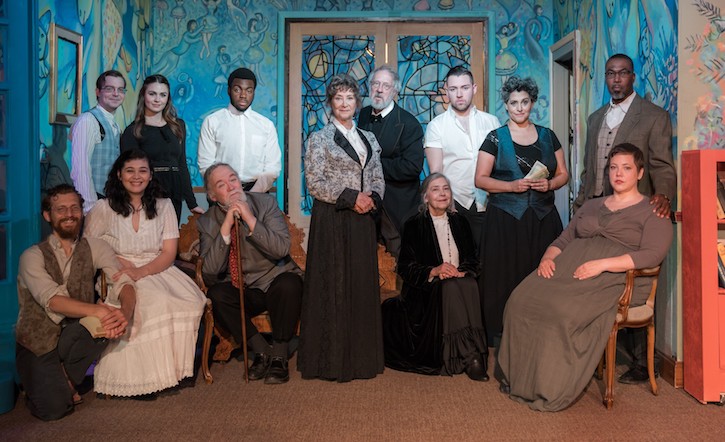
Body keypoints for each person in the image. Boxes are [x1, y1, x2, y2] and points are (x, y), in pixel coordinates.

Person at [497, 144, 673, 412]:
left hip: (617, 278)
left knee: (562, 312)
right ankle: (519, 378)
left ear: (639, 173)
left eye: (626, 168)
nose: (618, 173)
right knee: (520, 300)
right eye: (613, 167)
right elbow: (565, 238)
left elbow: (652, 254)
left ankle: (548, 385)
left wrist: (602, 265)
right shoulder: (592, 205)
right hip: (569, 269)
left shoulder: (652, 210)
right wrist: (548, 258)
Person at [574, 54, 676, 384]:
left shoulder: (653, 116)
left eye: (623, 74)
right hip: (596, 210)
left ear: (633, 77)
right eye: (610, 74)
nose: (616, 80)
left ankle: (639, 363)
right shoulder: (595, 118)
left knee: (632, 278)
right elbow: (591, 169)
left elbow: (662, 164)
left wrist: (664, 195)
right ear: (605, 78)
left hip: (632, 213)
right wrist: (579, 205)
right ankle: (589, 354)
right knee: (590, 280)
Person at [84, 149, 206, 399]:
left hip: (157, 268)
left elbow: (169, 252)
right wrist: (119, 262)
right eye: (130, 170)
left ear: (150, 176)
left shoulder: (164, 206)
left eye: (142, 170)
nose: (136, 176)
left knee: (188, 301)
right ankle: (138, 380)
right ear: (119, 174)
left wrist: (142, 271)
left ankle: (168, 372)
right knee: (152, 302)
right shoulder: (103, 208)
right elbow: (89, 248)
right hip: (117, 272)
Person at [16, 184, 136, 420]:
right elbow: (53, 301)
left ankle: (65, 380)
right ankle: (41, 384)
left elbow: (123, 282)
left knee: (110, 324)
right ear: (48, 215)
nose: (69, 214)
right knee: (54, 409)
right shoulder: (31, 256)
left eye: (74, 208)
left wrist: (125, 311)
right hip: (38, 340)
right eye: (61, 209)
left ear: (82, 212)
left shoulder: (96, 247)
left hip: (73, 332)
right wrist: (100, 311)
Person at [298, 73, 386, 382]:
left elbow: (376, 174)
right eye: (339, 98)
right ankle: (332, 363)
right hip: (333, 218)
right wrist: (352, 198)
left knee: (360, 285)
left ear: (356, 102)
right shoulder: (319, 139)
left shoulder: (369, 138)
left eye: (350, 97)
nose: (344, 103)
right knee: (333, 284)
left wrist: (372, 197)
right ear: (331, 103)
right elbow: (315, 183)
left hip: (363, 220)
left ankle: (362, 360)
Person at [475, 76, 569, 344]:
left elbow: (564, 174)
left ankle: (541, 332)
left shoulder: (549, 136)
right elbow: (480, 179)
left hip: (543, 220)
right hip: (505, 221)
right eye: (513, 103)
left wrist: (550, 183)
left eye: (524, 102)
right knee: (505, 278)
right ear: (506, 105)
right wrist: (511, 186)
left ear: (532, 103)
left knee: (543, 276)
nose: (519, 108)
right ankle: (503, 334)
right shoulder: (494, 138)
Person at [197, 163, 303, 385]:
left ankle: (280, 354)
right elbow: (209, 272)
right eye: (221, 185)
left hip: (274, 281)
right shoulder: (207, 222)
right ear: (213, 196)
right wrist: (226, 226)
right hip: (244, 289)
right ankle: (261, 350)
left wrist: (249, 219)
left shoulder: (265, 204)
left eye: (233, 179)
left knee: (289, 284)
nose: (231, 186)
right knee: (217, 294)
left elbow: (281, 249)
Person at [382, 173, 488, 381]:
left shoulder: (461, 222)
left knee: (468, 283)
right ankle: (469, 356)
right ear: (426, 197)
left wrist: (462, 270)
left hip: (457, 280)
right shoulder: (414, 224)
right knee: (448, 287)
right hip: (425, 289)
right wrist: (435, 270)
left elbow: (473, 259)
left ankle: (471, 352)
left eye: (446, 189)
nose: (442, 193)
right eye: (435, 189)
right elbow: (405, 267)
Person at [424, 66, 500, 248]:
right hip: (455, 203)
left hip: (488, 201)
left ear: (474, 89)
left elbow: (500, 164)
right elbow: (435, 172)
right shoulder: (437, 126)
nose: (459, 94)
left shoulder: (491, 122)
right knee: (458, 260)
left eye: (464, 88)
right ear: (447, 91)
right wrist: (445, 203)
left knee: (488, 258)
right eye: (453, 89)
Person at [358, 65, 424, 257]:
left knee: (398, 264)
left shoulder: (409, 123)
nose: (379, 89)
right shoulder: (362, 115)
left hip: (396, 207)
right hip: (365, 204)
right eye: (375, 84)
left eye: (385, 85)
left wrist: (373, 167)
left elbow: (412, 167)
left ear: (395, 90)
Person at [120, 74, 203, 222]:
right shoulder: (133, 131)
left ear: (168, 98)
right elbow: (129, 172)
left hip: (174, 191)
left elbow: (182, 164)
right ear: (143, 96)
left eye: (163, 95)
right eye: (152, 94)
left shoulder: (178, 126)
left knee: (170, 240)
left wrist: (192, 202)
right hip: (147, 193)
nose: (158, 100)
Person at [197, 67, 281, 192]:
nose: (243, 95)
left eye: (249, 90)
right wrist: (226, 191)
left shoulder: (266, 125)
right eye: (237, 90)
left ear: (253, 93)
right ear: (229, 90)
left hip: (258, 194)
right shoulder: (212, 121)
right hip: (222, 193)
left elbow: (272, 168)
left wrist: (253, 195)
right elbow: (206, 165)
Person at [70, 70, 127, 213]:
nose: (116, 93)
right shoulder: (87, 120)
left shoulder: (115, 124)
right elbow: (80, 169)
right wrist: (89, 208)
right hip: (94, 204)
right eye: (109, 89)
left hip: (110, 202)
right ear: (97, 92)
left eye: (120, 90)